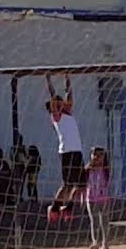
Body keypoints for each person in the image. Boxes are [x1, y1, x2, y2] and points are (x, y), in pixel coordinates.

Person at [44, 77, 86, 223]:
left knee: (81, 184)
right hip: (67, 152)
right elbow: (53, 99)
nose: (63, 103)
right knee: (67, 184)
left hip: (77, 151)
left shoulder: (68, 113)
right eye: (59, 103)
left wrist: (68, 78)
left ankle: (68, 207)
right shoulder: (56, 116)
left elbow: (70, 94)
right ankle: (54, 208)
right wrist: (49, 82)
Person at [86, 147, 112, 249]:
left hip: (103, 197)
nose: (97, 157)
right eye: (94, 154)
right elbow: (83, 183)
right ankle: (95, 242)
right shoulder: (88, 169)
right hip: (91, 197)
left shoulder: (105, 169)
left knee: (104, 221)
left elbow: (108, 180)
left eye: (100, 155)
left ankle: (105, 243)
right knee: (94, 221)